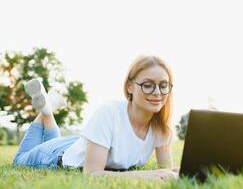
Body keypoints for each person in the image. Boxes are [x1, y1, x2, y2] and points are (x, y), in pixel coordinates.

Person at [12, 55, 178, 180]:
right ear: (129, 87)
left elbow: (165, 170)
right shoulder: (109, 113)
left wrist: (178, 172)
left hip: (88, 144)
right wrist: (148, 175)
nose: (157, 92)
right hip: (54, 156)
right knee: (19, 160)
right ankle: (47, 111)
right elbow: (92, 173)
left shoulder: (160, 125)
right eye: (148, 85)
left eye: (163, 85)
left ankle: (48, 109)